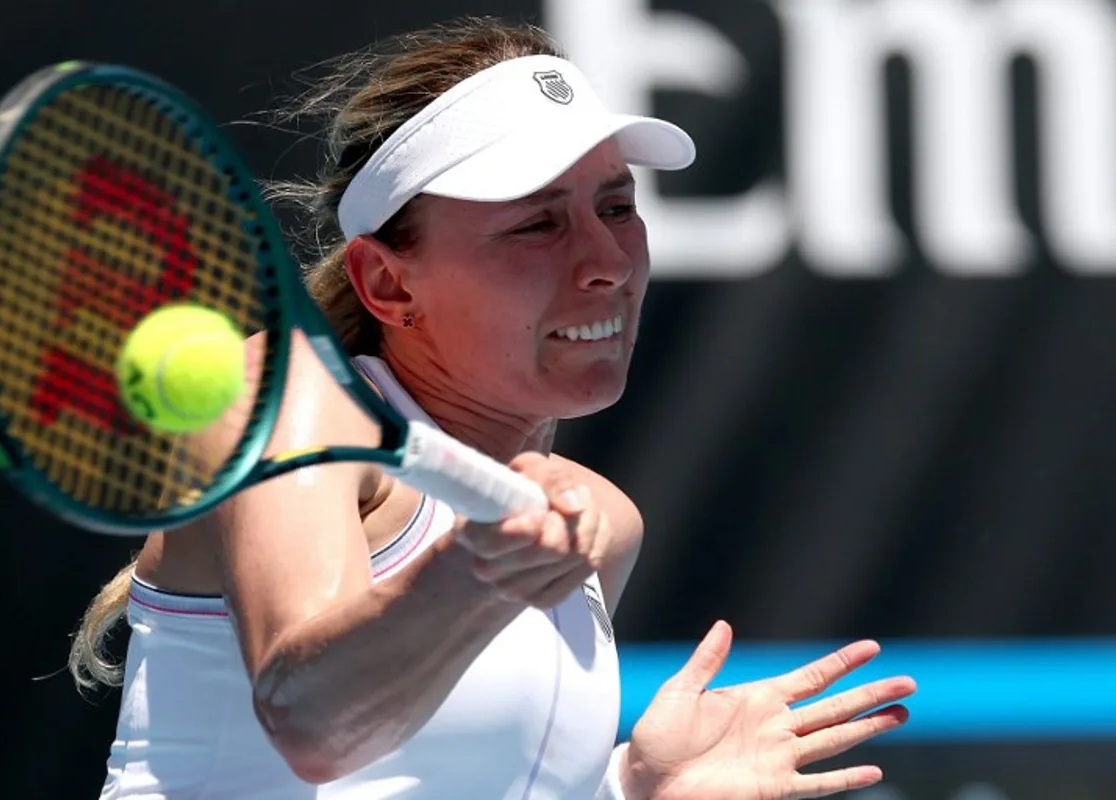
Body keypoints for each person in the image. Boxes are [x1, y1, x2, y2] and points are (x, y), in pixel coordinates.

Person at [72, 16, 916, 800]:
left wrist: (632, 790)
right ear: (388, 283)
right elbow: (311, 723)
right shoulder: (295, 395)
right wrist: (474, 572)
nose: (606, 263)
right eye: (535, 225)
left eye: (617, 207)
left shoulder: (600, 523)